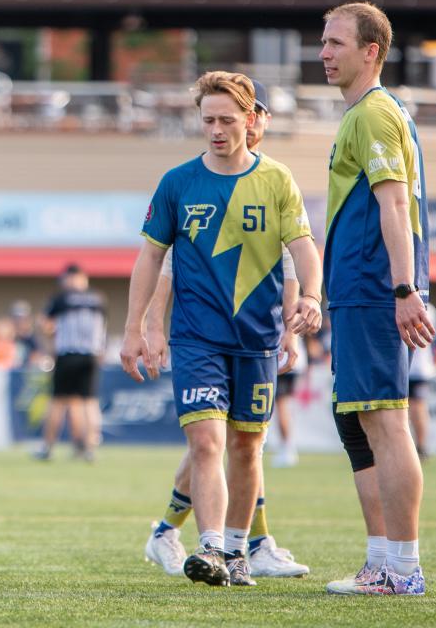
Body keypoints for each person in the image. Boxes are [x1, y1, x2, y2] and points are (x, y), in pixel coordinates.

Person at [120, 71, 322, 588]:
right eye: (207, 119)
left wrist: (311, 300)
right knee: (207, 443)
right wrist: (136, 327)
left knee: (247, 448)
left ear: (250, 120)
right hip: (196, 338)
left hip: (256, 339)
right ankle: (210, 547)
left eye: (226, 120)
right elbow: (152, 258)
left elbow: (302, 249)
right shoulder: (178, 182)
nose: (215, 130)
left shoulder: (276, 179)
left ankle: (239, 550)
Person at [319, 2, 433, 596]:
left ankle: (403, 570)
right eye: (323, 41)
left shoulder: (374, 113)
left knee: (386, 422)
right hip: (361, 288)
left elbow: (393, 204)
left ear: (371, 52)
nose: (324, 52)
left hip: (373, 287)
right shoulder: (366, 113)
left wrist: (403, 288)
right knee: (366, 422)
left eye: (336, 43)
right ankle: (383, 561)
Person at [33, 264, 107, 462]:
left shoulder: (61, 299)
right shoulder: (98, 298)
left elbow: (43, 324)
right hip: (91, 355)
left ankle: (47, 447)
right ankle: (89, 448)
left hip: (67, 354)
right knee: (89, 402)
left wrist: (49, 341)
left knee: (57, 402)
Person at [407, 303, 436, 462]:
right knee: (415, 407)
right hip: (416, 366)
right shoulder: (429, 308)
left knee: (417, 407)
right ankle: (417, 447)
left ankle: (421, 446)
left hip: (417, 367)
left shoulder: (426, 308)